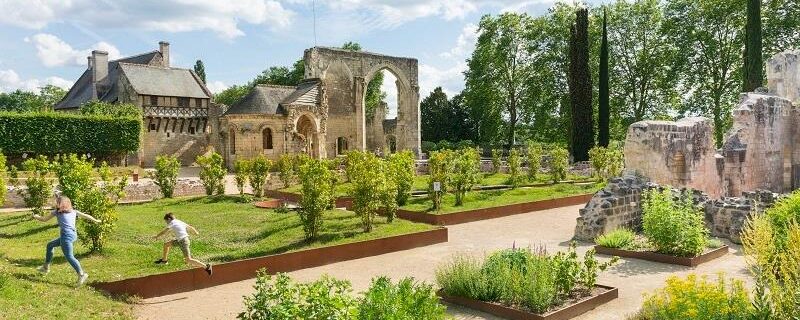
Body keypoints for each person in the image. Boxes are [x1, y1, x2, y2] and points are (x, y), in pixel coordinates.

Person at [32, 196, 101, 287]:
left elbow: (44, 219)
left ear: (60, 205)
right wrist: (95, 220)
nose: (55, 204)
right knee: (50, 245)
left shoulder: (56, 212)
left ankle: (82, 274)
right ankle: (46, 267)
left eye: (57, 203)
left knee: (69, 256)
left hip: (66, 237)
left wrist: (36, 216)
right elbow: (85, 216)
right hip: (73, 235)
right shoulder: (73, 211)